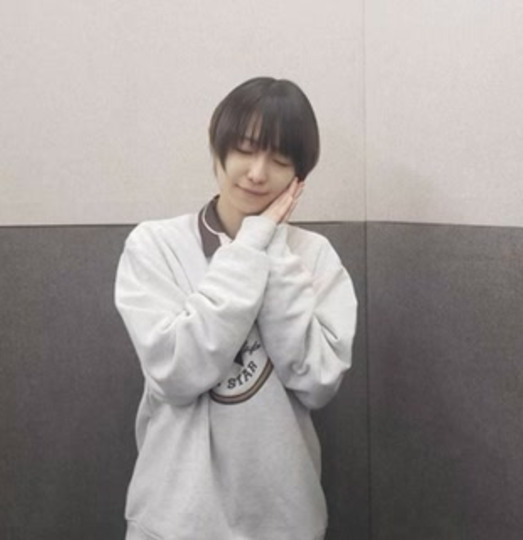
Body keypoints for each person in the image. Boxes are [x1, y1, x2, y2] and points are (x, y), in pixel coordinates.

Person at [114, 76, 358, 540]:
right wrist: (248, 249)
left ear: (299, 176)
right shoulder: (154, 245)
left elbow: (318, 381)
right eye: (245, 149)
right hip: (174, 521)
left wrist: (271, 248)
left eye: (279, 160)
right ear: (218, 147)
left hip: (284, 520)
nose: (258, 173)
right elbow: (175, 371)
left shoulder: (316, 257)